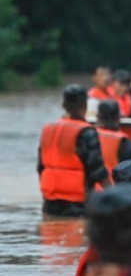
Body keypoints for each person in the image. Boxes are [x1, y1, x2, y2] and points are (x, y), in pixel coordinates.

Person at [37, 84, 111, 217]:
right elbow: (97, 170)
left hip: (49, 203)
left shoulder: (48, 130)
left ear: (64, 105)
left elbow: (40, 167)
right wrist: (114, 196)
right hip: (77, 204)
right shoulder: (87, 132)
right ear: (85, 105)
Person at [95, 99, 131, 174]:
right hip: (114, 184)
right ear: (118, 118)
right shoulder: (123, 142)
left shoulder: (87, 136)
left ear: (97, 116)